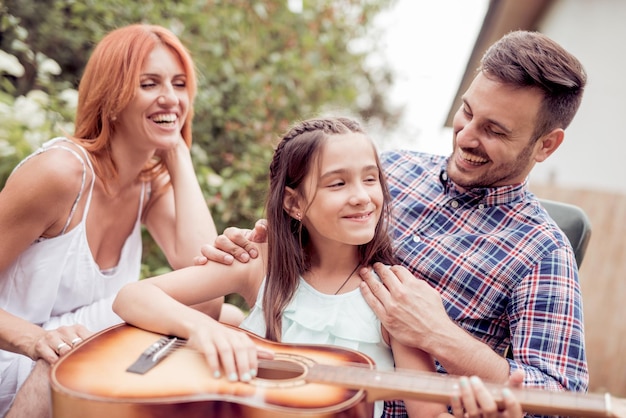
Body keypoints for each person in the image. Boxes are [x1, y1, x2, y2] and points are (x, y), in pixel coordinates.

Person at [199, 30, 589, 417]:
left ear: (546, 145)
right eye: (468, 112)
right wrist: (261, 240)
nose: (466, 136)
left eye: (494, 130)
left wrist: (442, 337)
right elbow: (305, 240)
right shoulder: (390, 170)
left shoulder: (542, 251)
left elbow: (560, 403)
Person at [113, 117, 524, 418]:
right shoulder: (262, 263)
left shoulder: (393, 295)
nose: (362, 197)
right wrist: (204, 329)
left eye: (370, 179)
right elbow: (132, 297)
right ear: (293, 203)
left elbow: (427, 414)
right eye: (337, 183)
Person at [0, 24, 236, 418]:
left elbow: (209, 297)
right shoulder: (60, 173)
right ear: (111, 98)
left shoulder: (149, 183)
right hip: (18, 357)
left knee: (229, 320)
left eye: (179, 85)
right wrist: (37, 339)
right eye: (150, 84)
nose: (171, 99)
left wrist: (178, 154)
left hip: (79, 348)